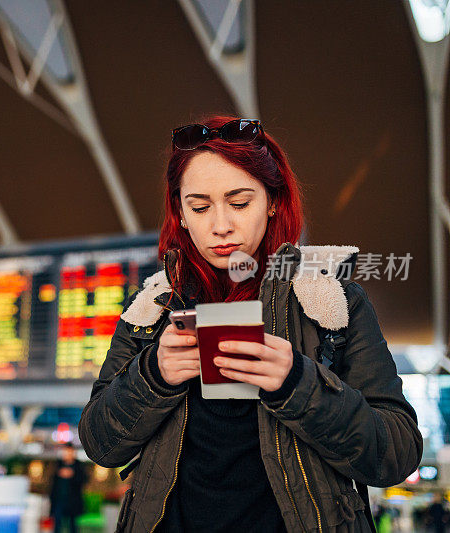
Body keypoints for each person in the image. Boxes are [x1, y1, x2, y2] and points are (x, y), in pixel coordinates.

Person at [78, 115, 423, 532]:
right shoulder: (151, 309)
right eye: (199, 207)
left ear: (274, 200)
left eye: (240, 203)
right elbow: (100, 442)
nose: (220, 225)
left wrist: (298, 382)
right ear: (181, 213)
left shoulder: (332, 303)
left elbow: (397, 453)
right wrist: (154, 375)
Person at [49, 443, 89, 533]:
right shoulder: (57, 465)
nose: (67, 454)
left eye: (69, 451)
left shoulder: (79, 466)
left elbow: (84, 480)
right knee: (57, 525)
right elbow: (52, 484)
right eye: (66, 451)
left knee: (73, 526)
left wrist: (73, 474)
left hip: (73, 502)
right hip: (59, 501)